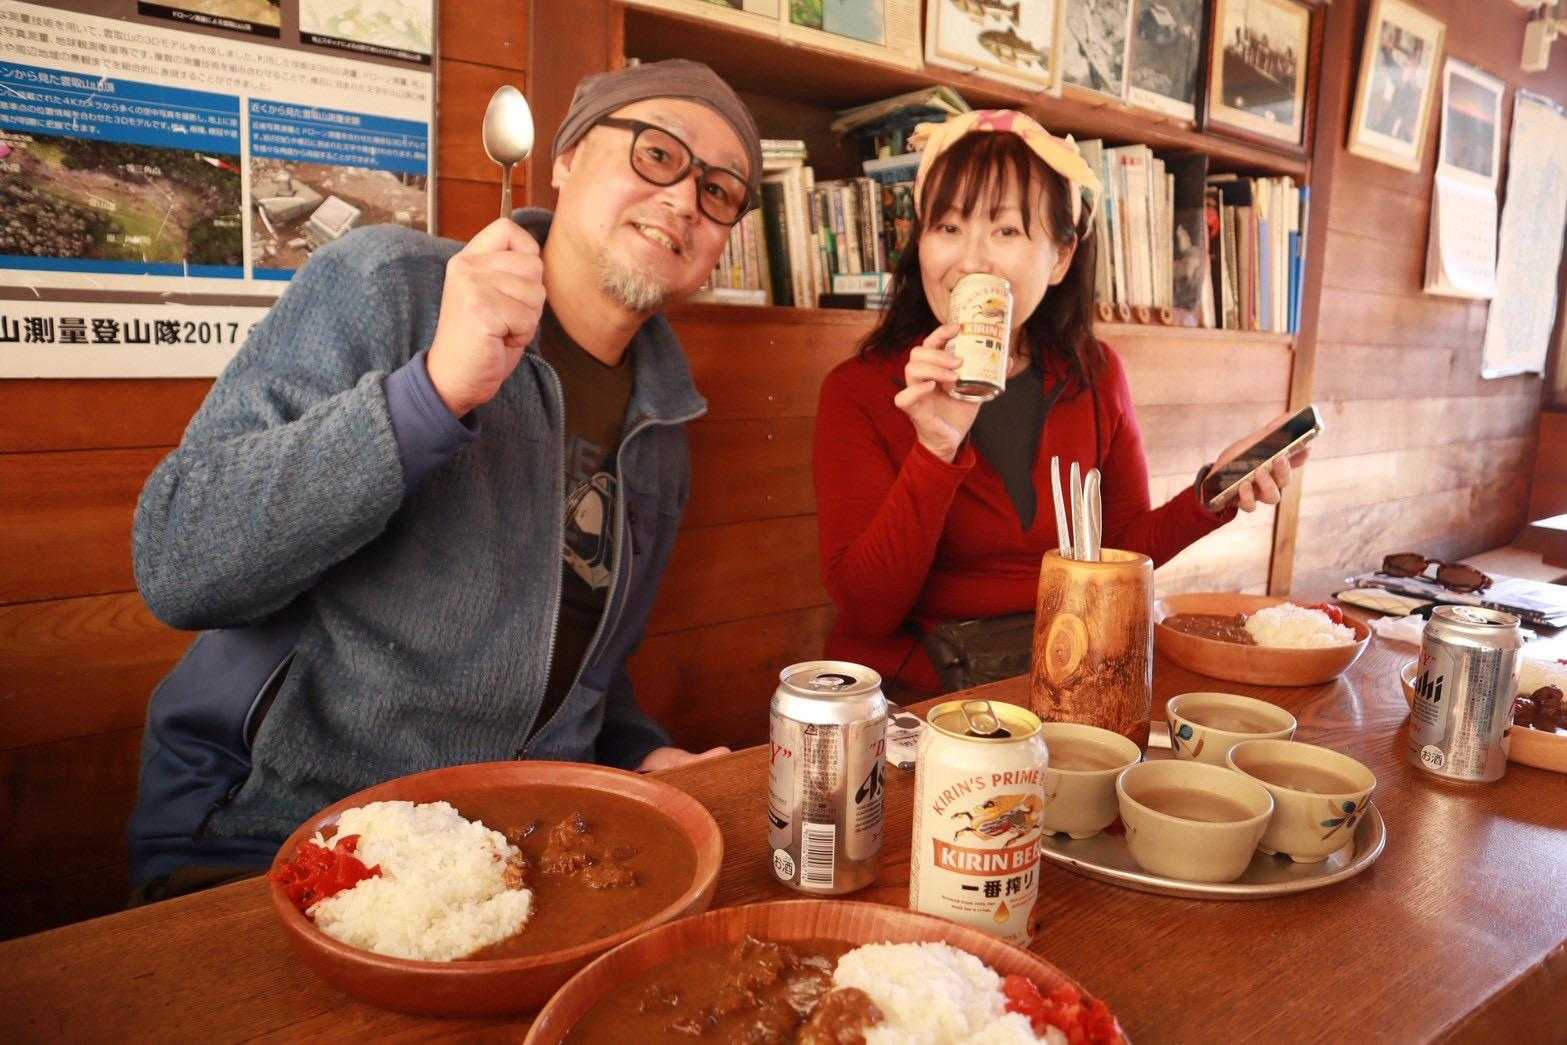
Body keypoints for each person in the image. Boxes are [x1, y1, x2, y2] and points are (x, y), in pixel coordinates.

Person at [127, 59, 762, 901]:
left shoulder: (664, 419)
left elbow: (576, 657)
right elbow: (178, 563)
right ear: (567, 157)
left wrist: (641, 752)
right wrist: (431, 392)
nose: (684, 198)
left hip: (513, 853)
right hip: (278, 835)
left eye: (719, 191)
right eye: (657, 154)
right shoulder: (388, 284)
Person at [812, 110, 1306, 696]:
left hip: (1063, 675)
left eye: (1006, 231)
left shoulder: (1094, 375)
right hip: (921, 696)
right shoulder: (860, 389)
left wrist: (1214, 491)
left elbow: (1118, 551)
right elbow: (869, 612)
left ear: (1061, 258)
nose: (970, 260)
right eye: (947, 227)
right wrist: (935, 450)